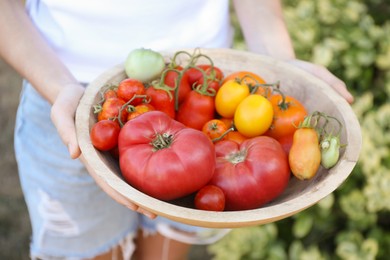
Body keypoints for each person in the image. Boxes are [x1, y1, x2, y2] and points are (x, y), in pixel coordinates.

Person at [0, 0, 354, 259]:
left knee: (167, 244)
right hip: (67, 91)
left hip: (207, 86)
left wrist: (280, 63)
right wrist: (61, 89)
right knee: (86, 249)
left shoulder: (216, 123)